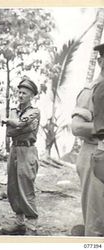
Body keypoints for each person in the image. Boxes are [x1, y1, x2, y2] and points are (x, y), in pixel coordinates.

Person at [71, 43, 104, 236]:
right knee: (96, 222)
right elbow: (76, 127)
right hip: (93, 155)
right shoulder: (90, 91)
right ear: (100, 61)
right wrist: (99, 129)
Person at [1, 78, 40, 236]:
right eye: (19, 92)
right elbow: (10, 132)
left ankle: (31, 225)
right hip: (14, 149)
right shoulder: (14, 111)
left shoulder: (35, 111)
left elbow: (17, 125)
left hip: (27, 150)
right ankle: (19, 222)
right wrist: (20, 126)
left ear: (31, 95)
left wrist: (13, 123)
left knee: (26, 186)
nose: (20, 95)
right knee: (13, 187)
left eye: (24, 93)